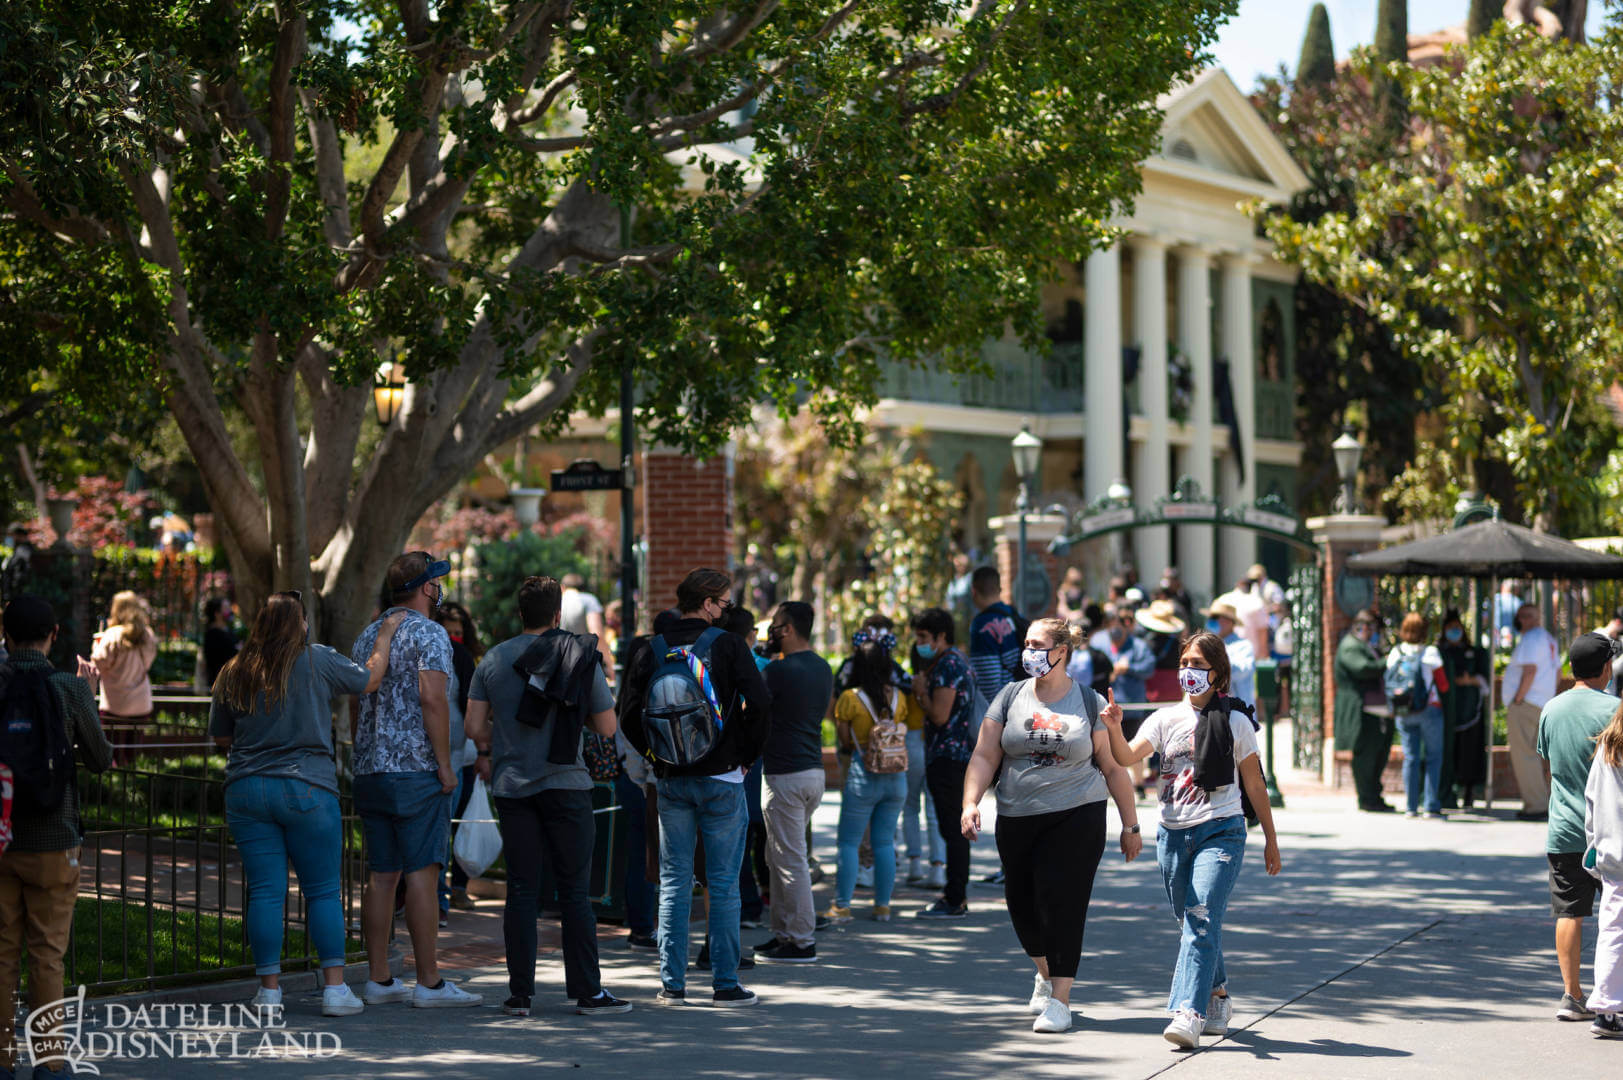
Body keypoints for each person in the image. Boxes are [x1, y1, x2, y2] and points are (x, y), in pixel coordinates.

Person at [210, 593, 402, 1017]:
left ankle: (268, 993)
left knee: (264, 891)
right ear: (300, 624)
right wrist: (385, 633)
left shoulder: (233, 670)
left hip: (246, 789)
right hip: (307, 788)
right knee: (322, 892)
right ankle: (335, 991)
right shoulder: (317, 659)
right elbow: (370, 679)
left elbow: (221, 737)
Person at [1099, 631, 1283, 1050]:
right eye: (1184, 664)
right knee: (1192, 921)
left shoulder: (1236, 721)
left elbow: (1254, 785)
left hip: (1221, 829)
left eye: (1197, 665)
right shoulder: (1165, 719)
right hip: (1172, 833)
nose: (1188, 672)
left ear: (1217, 674)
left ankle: (1189, 1012)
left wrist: (1271, 840)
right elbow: (1128, 757)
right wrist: (1113, 727)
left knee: (1200, 917)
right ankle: (1218, 991)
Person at [961, 618, 1142, 1034]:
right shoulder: (1009, 697)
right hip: (1017, 815)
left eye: (1037, 644)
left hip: (1077, 814)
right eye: (1026, 644)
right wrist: (970, 802)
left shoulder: (1088, 700)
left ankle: (1061, 1000)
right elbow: (985, 756)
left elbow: (1113, 768)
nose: (1029, 652)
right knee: (1023, 907)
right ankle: (1044, 973)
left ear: (1061, 651)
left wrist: (1130, 825)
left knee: (1062, 902)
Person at [464, 576, 631, 1017]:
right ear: (558, 615)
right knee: (575, 893)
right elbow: (608, 727)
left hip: (514, 787)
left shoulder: (494, 660)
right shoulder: (579, 655)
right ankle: (588, 993)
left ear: (521, 613)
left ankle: (520, 995)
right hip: (567, 784)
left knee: (521, 890)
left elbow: (473, 728)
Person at [618, 568, 771, 1007]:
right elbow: (759, 703)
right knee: (722, 884)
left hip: (671, 781)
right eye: (724, 604)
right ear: (707, 603)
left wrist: (655, 756)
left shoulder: (652, 648)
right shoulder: (727, 646)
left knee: (673, 880)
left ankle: (673, 983)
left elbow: (628, 713)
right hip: (723, 777)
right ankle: (725, 983)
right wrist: (744, 755)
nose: (727, 611)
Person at [349, 551, 479, 1008]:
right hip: (416, 770)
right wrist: (445, 764)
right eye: (437, 581)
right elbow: (432, 698)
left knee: (383, 875)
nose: (440, 589)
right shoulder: (430, 633)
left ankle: (379, 978)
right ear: (426, 588)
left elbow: (354, 701)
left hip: (371, 769)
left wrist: (362, 749)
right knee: (423, 871)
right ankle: (429, 981)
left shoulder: (368, 634)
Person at [0, 596, 113, 1077]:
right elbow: (101, 758)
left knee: (2, 953)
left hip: (1, 839)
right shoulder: (68, 686)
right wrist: (91, 695)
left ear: (5, 635)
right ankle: (50, 1063)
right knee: (48, 955)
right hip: (53, 838)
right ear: (53, 634)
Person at [1533, 633, 1617, 1023]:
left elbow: (1547, 766)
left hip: (1564, 828)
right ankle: (1611, 993)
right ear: (1606, 669)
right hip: (1606, 830)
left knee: (1569, 912)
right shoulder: (1615, 710)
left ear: (1570, 668)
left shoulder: (1551, 709)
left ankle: (1572, 994)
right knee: (1614, 914)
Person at [757, 601, 833, 963]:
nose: (770, 631)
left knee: (789, 859)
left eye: (774, 625)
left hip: (785, 775)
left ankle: (801, 940)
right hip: (811, 772)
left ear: (786, 629)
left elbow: (751, 709)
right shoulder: (821, 667)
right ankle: (784, 931)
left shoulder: (779, 671)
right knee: (779, 855)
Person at [828, 630, 920, 926]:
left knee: (849, 842)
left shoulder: (849, 698)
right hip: (896, 777)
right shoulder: (900, 698)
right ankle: (882, 906)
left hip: (863, 774)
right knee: (883, 843)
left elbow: (844, 739)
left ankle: (842, 905)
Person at [910, 607, 976, 918]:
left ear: (941, 636)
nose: (919, 642)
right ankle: (954, 894)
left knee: (952, 829)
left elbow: (939, 714)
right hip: (953, 754)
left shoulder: (948, 664)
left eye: (923, 636)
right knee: (952, 828)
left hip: (949, 756)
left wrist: (921, 694)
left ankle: (954, 897)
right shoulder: (955, 660)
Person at [435, 600, 483, 912]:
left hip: (463, 756)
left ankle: (455, 888)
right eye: (448, 632)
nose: (454, 638)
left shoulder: (465, 659)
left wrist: (485, 752)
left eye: (458, 632)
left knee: (458, 825)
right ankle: (438, 897)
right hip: (447, 757)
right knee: (441, 831)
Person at [1384, 613, 1450, 819]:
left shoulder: (1395, 652)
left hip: (1404, 711)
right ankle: (1430, 805)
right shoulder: (1431, 653)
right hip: (1429, 709)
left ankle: (1411, 806)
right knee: (1433, 757)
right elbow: (1443, 685)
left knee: (1410, 758)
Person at [1584, 698, 1623, 1037]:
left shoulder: (1607, 747)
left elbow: (1591, 800)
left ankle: (1606, 1009)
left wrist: (1594, 845)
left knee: (1612, 930)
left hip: (1612, 854)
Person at [1505, 603, 1559, 821]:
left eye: (1527, 616)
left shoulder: (1530, 639)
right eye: (1520, 616)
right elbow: (1556, 672)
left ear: (1536, 618)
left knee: (1524, 755)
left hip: (1526, 704)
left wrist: (1518, 698)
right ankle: (1542, 802)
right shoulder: (1548, 639)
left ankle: (1535, 806)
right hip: (1543, 702)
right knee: (1537, 756)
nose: (1522, 620)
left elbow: (1530, 670)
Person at [1336, 610, 1393, 813]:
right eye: (1364, 625)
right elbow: (1362, 669)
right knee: (1366, 757)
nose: (1368, 630)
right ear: (1356, 626)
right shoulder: (1351, 646)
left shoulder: (1367, 645)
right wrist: (1387, 661)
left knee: (1379, 755)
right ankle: (1367, 798)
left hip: (1377, 710)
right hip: (1363, 710)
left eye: (1371, 626)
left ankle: (1375, 796)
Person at [91, 590, 157, 758]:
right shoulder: (147, 634)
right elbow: (148, 663)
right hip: (141, 704)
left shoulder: (112, 634)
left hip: (115, 705)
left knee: (113, 756)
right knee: (133, 758)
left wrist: (96, 645)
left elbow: (98, 663)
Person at [1438, 609, 1490, 809]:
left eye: (1457, 628)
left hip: (1471, 712)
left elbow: (1485, 680)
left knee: (1470, 752)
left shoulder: (1475, 653)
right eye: (1450, 628)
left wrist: (1470, 680)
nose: (1454, 632)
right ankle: (1447, 792)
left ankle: (1469, 792)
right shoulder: (1439, 652)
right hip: (1446, 711)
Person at [1090, 608, 1156, 704]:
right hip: (1102, 707)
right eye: (1111, 623)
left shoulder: (1138, 646)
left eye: (1119, 623)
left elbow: (1149, 669)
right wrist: (1108, 672)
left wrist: (1129, 668)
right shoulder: (1097, 641)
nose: (1115, 627)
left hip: (1132, 708)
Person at [1202, 602, 1257, 710]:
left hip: (1239, 711)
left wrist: (1218, 661)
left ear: (1230, 622)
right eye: (1212, 617)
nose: (1213, 621)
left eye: (1217, 617)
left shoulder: (1243, 646)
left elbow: (1243, 671)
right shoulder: (1206, 645)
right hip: (1213, 711)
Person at [560, 573, 615, 675]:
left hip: (560, 665)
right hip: (585, 664)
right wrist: (609, 665)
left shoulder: (557, 601)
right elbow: (597, 634)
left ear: (562, 587)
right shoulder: (589, 600)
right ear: (583, 589)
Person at [202, 597, 239, 688]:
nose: (230, 611)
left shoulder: (229, 631)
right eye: (226, 608)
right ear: (217, 614)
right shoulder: (212, 635)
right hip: (220, 684)